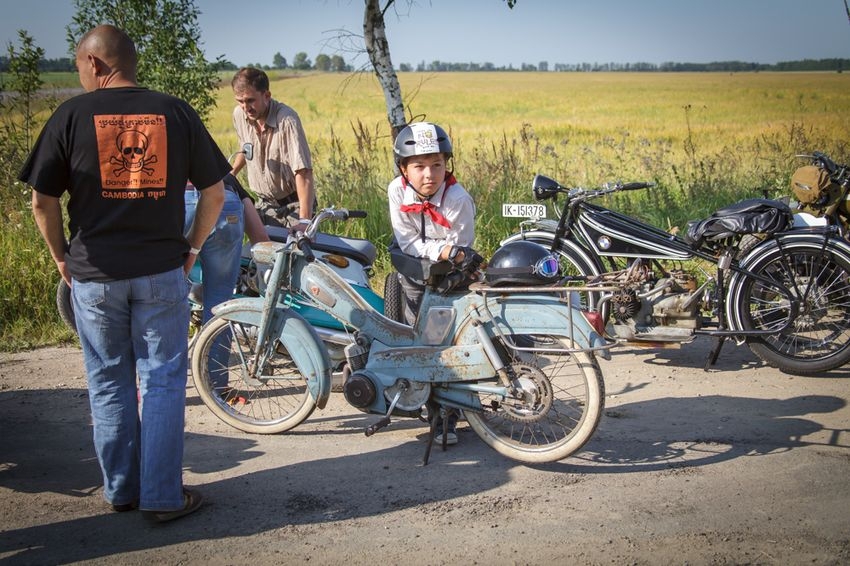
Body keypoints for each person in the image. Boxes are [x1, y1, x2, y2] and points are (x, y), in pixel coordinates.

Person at [20, 24, 229, 523]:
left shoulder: (70, 116)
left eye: (79, 69)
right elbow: (215, 193)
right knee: (161, 381)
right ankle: (162, 497)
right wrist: (193, 248)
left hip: (94, 275)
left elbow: (41, 200)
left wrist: (60, 257)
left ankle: (121, 492)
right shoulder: (175, 112)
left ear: (94, 65)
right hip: (161, 272)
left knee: (108, 381)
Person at [387, 122, 483, 445]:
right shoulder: (395, 191)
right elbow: (407, 242)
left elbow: (460, 249)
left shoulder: (458, 200)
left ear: (447, 165)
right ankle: (425, 402)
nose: (429, 175)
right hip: (413, 270)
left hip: (449, 279)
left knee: (445, 341)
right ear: (403, 169)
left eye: (437, 165)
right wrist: (439, 250)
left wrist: (447, 253)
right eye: (419, 167)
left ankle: (448, 415)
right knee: (418, 337)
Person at [230, 66, 316, 232]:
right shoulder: (239, 115)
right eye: (240, 101)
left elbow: (303, 172)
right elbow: (245, 147)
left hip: (294, 207)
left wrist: (304, 221)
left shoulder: (287, 120)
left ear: (267, 95)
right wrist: (231, 175)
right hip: (262, 207)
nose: (245, 108)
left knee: (293, 257)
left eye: (250, 100)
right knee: (261, 255)